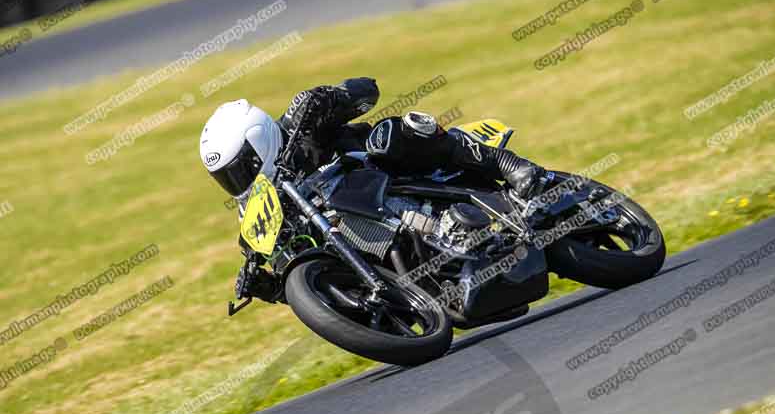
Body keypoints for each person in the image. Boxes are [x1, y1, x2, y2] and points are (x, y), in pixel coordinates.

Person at [199, 77, 548, 302]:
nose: (238, 181)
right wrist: (269, 287)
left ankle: (505, 163)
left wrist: (331, 97)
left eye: (241, 168)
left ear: (258, 143)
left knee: (389, 136)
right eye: (226, 177)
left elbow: (369, 89)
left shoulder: (300, 123)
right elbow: (301, 279)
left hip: (393, 175)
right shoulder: (259, 212)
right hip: (371, 243)